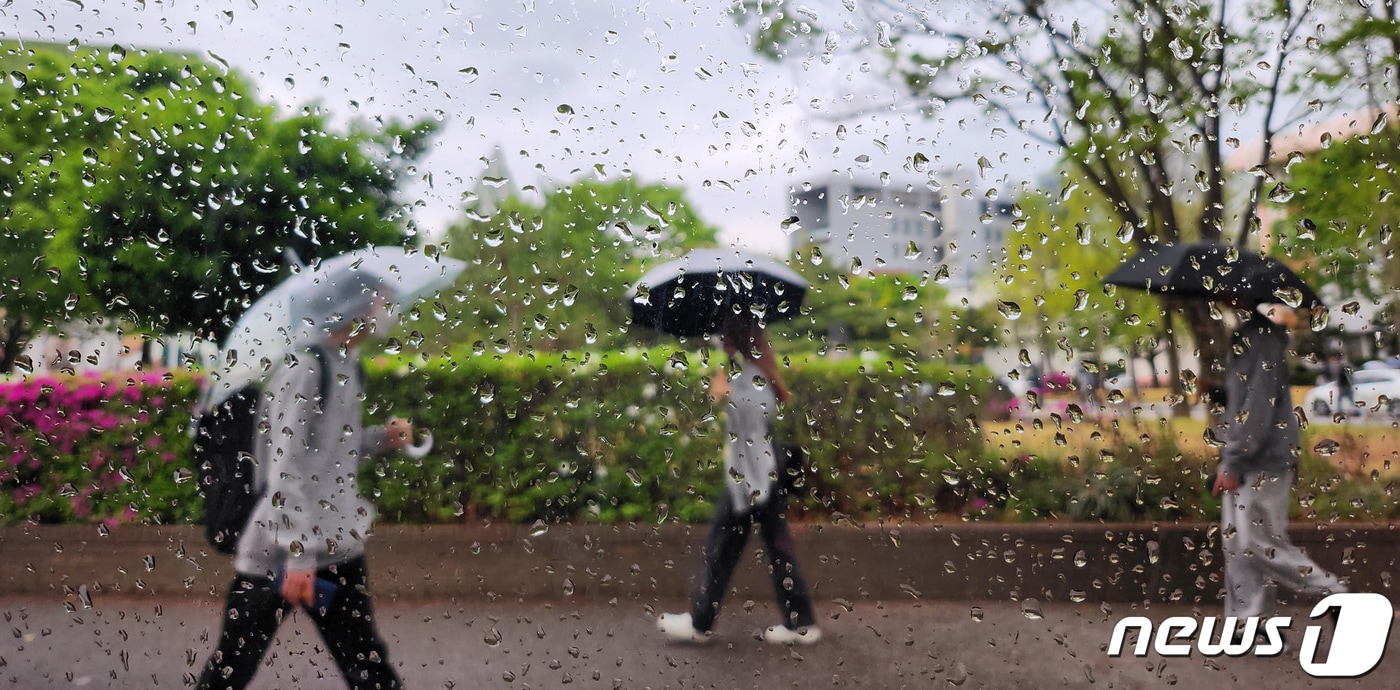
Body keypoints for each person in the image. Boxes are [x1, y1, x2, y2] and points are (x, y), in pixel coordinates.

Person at [195, 274, 413, 690]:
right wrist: (299, 554)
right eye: (380, 303)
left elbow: (332, 452)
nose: (384, 312)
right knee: (233, 666)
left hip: (335, 542)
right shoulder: (305, 369)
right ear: (355, 307)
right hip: (280, 552)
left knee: (368, 666)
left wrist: (380, 439)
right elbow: (285, 467)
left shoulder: (346, 366)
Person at [657, 314, 820, 645]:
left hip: (753, 478)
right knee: (763, 549)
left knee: (729, 549)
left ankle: (702, 624)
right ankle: (800, 623)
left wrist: (724, 386)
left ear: (735, 339)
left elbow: (749, 422)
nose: (721, 341)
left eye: (725, 336)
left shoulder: (750, 377)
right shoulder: (750, 374)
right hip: (754, 476)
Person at [1212, 299, 1346, 630]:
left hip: (1264, 460)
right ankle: (1251, 626)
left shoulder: (1263, 339)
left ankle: (1333, 592)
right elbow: (1245, 396)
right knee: (1237, 545)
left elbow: (1258, 406)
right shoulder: (1246, 336)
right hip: (1249, 457)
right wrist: (1217, 392)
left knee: (1255, 542)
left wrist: (1231, 462)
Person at [1326, 351, 1355, 419]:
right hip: (1348, 386)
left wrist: (1339, 386)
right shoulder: (1343, 366)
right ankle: (1357, 412)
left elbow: (1339, 378)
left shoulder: (1340, 367)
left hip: (1344, 387)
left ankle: (1340, 412)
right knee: (1350, 400)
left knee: (1340, 400)